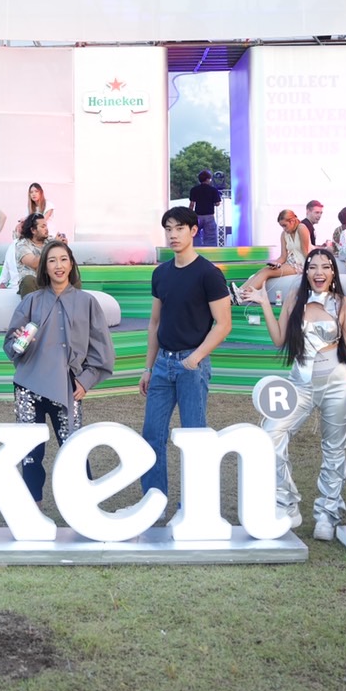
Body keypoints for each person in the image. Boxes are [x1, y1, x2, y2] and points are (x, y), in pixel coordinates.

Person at [244, 247, 346, 539]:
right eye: (312, 267)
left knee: (334, 449)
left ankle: (327, 515)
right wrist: (264, 303)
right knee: (270, 434)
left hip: (337, 382)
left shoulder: (343, 303)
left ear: (333, 272)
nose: (318, 272)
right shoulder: (294, 299)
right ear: (306, 271)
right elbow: (278, 340)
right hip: (299, 383)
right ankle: (286, 503)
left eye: (325, 267)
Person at [3, 240, 115, 502]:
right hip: (28, 387)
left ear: (71, 264)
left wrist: (85, 381)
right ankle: (31, 510)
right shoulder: (30, 301)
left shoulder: (87, 302)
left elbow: (102, 351)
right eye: (52, 260)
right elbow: (10, 346)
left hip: (67, 389)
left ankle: (85, 508)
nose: (58, 265)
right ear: (44, 266)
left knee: (74, 448)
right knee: (30, 453)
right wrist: (20, 342)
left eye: (63, 259)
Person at [139, 207, 233, 503]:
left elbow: (224, 324)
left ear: (193, 231)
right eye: (168, 229)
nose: (173, 235)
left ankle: (193, 505)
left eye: (179, 228)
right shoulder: (161, 273)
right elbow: (155, 323)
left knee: (194, 437)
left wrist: (195, 359)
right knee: (152, 434)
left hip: (192, 364)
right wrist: (148, 368)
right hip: (162, 365)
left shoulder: (209, 274)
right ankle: (154, 502)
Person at [231, 209, 310, 303]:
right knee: (262, 270)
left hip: (301, 264)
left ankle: (243, 295)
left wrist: (311, 268)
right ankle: (239, 291)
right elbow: (283, 257)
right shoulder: (284, 234)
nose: (284, 228)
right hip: (290, 262)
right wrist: (275, 263)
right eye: (282, 226)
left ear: (292, 221)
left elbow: (306, 251)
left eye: (285, 225)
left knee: (267, 272)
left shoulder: (301, 228)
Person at [10, 213, 51, 296]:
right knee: (28, 280)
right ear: (33, 230)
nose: (46, 229)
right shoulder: (22, 244)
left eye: (46, 226)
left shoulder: (50, 241)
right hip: (32, 284)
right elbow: (34, 263)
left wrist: (63, 246)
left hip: (50, 282)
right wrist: (52, 248)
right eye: (43, 227)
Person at [187, 171, 221, 247]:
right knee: (210, 238)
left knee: (195, 234)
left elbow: (192, 204)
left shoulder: (194, 189)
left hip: (197, 216)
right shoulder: (213, 190)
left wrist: (189, 215)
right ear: (208, 179)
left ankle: (197, 249)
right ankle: (210, 252)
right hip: (209, 216)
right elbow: (217, 203)